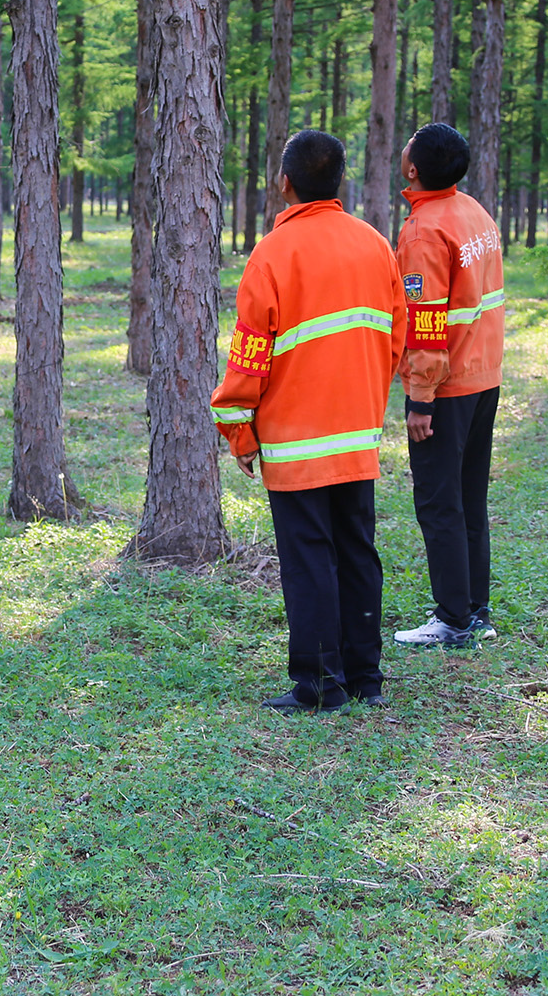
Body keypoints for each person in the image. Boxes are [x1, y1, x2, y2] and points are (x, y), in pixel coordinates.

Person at [211, 130, 410, 713]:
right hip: (357, 435)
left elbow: (248, 358)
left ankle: (321, 686)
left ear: (285, 183)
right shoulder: (376, 245)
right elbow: (395, 336)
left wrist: (239, 432)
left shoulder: (272, 255)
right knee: (357, 552)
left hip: (296, 445)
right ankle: (366, 679)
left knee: (308, 562)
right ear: (339, 181)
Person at [391, 122, 506, 649]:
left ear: (414, 168)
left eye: (408, 142)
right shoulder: (472, 211)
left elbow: (426, 323)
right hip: (484, 378)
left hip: (449, 387)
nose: (403, 145)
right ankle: (474, 609)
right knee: (468, 498)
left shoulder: (423, 231)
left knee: (440, 503)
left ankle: (453, 619)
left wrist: (419, 397)